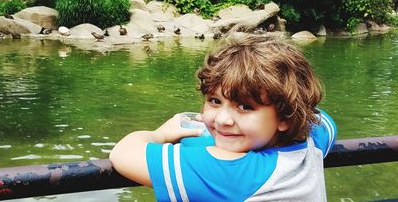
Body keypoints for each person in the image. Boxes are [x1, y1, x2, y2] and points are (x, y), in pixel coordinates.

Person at [109, 35, 337, 202]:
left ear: (285, 117)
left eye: (245, 106)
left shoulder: (230, 172)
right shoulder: (312, 142)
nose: (223, 120)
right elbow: (324, 119)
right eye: (214, 101)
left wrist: (161, 134)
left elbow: (123, 153)